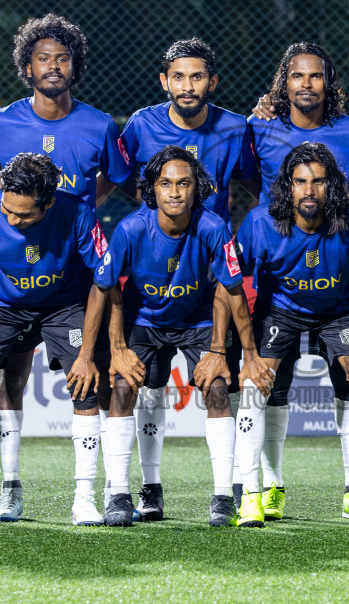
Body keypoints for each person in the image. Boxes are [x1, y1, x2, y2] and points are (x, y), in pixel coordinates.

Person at [0, 14, 132, 524]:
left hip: (70, 280)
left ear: (75, 66)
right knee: (8, 381)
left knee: (90, 383)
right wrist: (12, 210)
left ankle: (87, 493)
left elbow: (117, 178)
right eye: (43, 58)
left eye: (62, 58)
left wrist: (78, 206)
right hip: (11, 285)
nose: (53, 67)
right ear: (27, 66)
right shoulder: (4, 119)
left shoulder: (99, 123)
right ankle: (9, 489)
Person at [119, 37, 257, 520]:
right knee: (144, 387)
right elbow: (116, 179)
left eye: (197, 76)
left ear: (212, 82)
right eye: (178, 76)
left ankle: (228, 490)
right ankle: (149, 489)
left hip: (208, 280)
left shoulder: (237, 128)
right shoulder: (140, 124)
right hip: (151, 280)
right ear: (164, 82)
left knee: (220, 383)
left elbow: (257, 184)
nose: (187, 86)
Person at [248, 41, 349, 520]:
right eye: (297, 76)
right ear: (284, 83)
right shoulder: (259, 128)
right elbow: (249, 181)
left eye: (316, 76)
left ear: (330, 83)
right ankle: (271, 487)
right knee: (271, 387)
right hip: (280, 276)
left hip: (337, 273)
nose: (307, 84)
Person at [95, 147, 252, 527]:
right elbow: (106, 288)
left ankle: (222, 497)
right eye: (165, 183)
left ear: (198, 189)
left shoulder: (213, 227)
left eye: (184, 183)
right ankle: (122, 492)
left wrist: (243, 352)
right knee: (123, 388)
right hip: (143, 320)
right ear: (153, 188)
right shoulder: (131, 228)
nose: (175, 192)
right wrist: (116, 349)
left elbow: (232, 290)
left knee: (216, 387)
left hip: (198, 320)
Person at [0, 154, 110, 526]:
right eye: (8, 209)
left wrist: (90, 352)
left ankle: (84, 499)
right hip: (1, 304)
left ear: (49, 202)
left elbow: (104, 278)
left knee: (85, 389)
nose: (12, 220)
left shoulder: (78, 213)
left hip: (63, 305)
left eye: (24, 216)